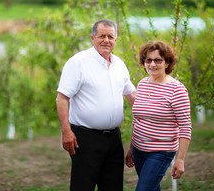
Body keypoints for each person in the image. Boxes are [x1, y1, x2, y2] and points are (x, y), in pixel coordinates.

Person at [56, 19, 136, 191]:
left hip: (114, 139)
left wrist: (159, 110)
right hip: (85, 139)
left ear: (115, 39)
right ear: (92, 38)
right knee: (82, 187)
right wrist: (66, 131)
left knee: (113, 187)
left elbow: (131, 95)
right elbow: (61, 98)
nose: (106, 40)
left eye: (111, 36)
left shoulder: (119, 65)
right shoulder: (78, 62)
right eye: (102, 36)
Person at [125, 40, 192, 191]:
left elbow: (185, 126)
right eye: (148, 60)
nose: (152, 64)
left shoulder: (177, 90)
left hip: (160, 152)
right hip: (139, 150)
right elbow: (137, 120)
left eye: (158, 60)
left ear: (167, 63)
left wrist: (180, 159)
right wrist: (131, 147)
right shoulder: (142, 84)